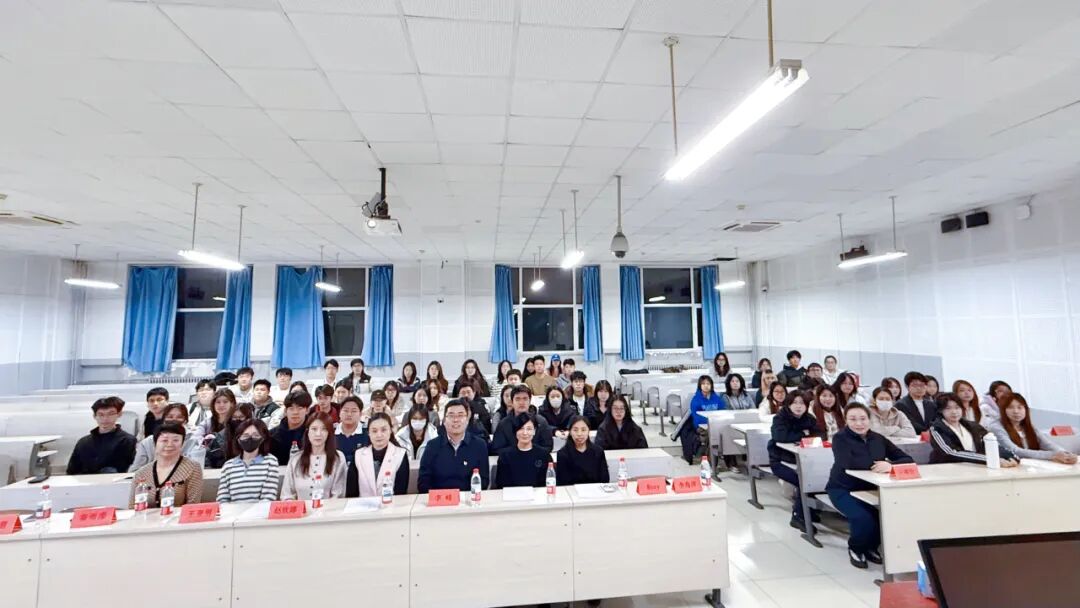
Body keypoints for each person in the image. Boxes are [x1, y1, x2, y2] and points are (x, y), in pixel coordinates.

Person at [826, 403, 914, 569]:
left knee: (883, 516)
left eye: (863, 419)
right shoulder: (840, 438)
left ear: (869, 419)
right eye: (853, 419)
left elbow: (906, 459)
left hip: (872, 488)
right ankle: (856, 548)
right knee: (862, 517)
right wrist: (879, 463)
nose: (859, 423)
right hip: (842, 488)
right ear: (846, 421)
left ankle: (871, 547)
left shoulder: (878, 438)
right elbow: (847, 462)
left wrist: (890, 465)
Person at [768, 391, 824, 529]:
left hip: (804, 460)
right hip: (780, 461)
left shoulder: (809, 418)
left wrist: (801, 436)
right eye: (795, 403)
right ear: (788, 404)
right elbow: (780, 436)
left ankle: (808, 510)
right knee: (803, 481)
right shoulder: (780, 418)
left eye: (802, 403)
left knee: (815, 477)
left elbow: (820, 435)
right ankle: (798, 516)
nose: (798, 406)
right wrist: (804, 434)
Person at [417, 400, 490, 492]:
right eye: (451, 416)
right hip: (439, 498)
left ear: (467, 420)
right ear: (444, 421)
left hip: (468, 498)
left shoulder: (479, 445)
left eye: (460, 415)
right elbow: (423, 481)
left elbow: (483, 481)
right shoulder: (432, 446)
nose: (456, 420)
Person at [929, 392, 1018, 466]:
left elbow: (991, 444)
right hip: (948, 469)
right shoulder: (937, 428)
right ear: (940, 411)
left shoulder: (973, 426)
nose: (954, 412)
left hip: (975, 467)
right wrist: (989, 459)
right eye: (948, 408)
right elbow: (951, 452)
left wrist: (1011, 457)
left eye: (957, 407)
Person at [128, 422, 204, 508]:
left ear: (182, 444)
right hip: (145, 516)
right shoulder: (141, 473)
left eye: (176, 440)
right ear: (155, 443)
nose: (170, 444)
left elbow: (193, 504)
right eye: (164, 440)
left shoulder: (192, 468)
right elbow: (132, 506)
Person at [989, 392, 1077, 464]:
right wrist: (1052, 455)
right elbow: (1015, 451)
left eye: (1020, 407)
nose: (1016, 411)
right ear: (1003, 410)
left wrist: (1066, 454)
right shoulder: (996, 427)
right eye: (1010, 407)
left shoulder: (1027, 426)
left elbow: (1048, 444)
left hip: (1032, 466)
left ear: (1026, 409)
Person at [281, 413, 347, 500]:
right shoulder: (296, 459)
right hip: (300, 508)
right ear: (307, 432)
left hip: (329, 508)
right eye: (314, 429)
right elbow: (287, 495)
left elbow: (338, 495)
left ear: (329, 433)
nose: (318, 434)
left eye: (324, 429)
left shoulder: (338, 458)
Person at [216, 419, 280, 503]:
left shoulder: (270, 462)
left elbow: (268, 498)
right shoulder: (228, 466)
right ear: (238, 439)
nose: (250, 439)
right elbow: (222, 499)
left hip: (261, 511)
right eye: (245, 435)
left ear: (263, 438)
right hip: (232, 511)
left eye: (255, 435)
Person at [68, 396, 136, 475]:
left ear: (119, 414)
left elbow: (129, 470)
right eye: (101, 415)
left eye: (111, 414)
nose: (105, 419)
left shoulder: (127, 441)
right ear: (94, 416)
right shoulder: (83, 442)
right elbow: (71, 471)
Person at [348, 413, 409, 498]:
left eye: (383, 430)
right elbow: (351, 492)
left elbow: (401, 492)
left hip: (392, 504)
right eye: (374, 431)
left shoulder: (400, 454)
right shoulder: (358, 455)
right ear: (368, 433)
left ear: (391, 430)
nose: (379, 435)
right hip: (363, 505)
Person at [130, 403, 204, 471]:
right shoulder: (147, 442)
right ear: (164, 419)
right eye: (170, 417)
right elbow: (135, 470)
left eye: (179, 417)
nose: (174, 420)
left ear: (185, 420)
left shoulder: (195, 441)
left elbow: (197, 470)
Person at [494, 413, 553, 489]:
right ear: (515, 431)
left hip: (538, 494)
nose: (525, 433)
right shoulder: (505, 456)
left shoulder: (544, 455)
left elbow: (548, 483)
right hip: (512, 494)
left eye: (529, 429)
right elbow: (501, 484)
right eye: (521, 428)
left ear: (534, 431)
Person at [491, 385, 554, 454]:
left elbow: (548, 446)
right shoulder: (504, 424)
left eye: (525, 399)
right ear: (512, 402)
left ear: (530, 401)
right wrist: (519, 451)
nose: (521, 402)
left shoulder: (540, 421)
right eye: (517, 399)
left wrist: (530, 450)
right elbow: (498, 448)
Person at [556, 416, 609, 486]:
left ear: (588, 431)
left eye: (583, 430)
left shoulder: (598, 452)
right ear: (570, 432)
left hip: (595, 490)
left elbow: (605, 479)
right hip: (572, 491)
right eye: (575, 430)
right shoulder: (562, 454)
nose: (579, 434)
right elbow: (562, 483)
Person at [206, 402, 253, 469]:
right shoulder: (220, 437)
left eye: (241, 417)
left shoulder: (255, 436)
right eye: (234, 417)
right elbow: (208, 460)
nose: (237, 419)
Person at [270, 391, 312, 464]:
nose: (295, 412)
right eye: (291, 408)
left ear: (307, 410)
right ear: (285, 411)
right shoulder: (272, 435)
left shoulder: (313, 433)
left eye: (300, 408)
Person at [335, 396, 369, 466]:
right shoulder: (331, 431)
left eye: (354, 411)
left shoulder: (368, 431)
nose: (349, 414)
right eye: (345, 410)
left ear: (360, 414)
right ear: (339, 413)